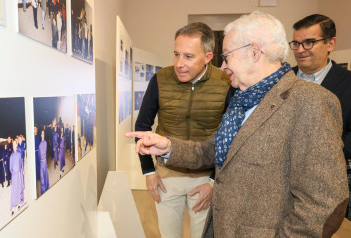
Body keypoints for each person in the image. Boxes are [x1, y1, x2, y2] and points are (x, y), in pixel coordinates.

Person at [127, 11, 349, 237]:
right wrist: (169, 147)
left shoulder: (311, 101)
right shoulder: (242, 98)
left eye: (227, 56)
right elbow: (218, 150)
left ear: (254, 52)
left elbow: (324, 202)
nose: (223, 66)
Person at [134, 22, 230, 238]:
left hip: (205, 178)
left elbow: (231, 137)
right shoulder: (160, 79)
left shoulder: (225, 82)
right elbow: (142, 128)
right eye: (176, 54)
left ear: (207, 57)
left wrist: (214, 182)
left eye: (188, 56)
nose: (179, 64)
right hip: (167, 176)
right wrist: (148, 172)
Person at [290, 14, 351, 220]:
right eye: (296, 43)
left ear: (330, 43)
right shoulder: (282, 80)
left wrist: (319, 150)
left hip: (327, 185)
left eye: (309, 42)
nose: (300, 50)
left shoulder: (348, 84)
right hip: (283, 184)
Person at [10, 140, 24, 215]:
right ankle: (13, 205)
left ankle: (18, 203)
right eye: (13, 145)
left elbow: (21, 163)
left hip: (18, 174)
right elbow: (10, 166)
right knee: (14, 189)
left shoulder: (19, 154)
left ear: (16, 145)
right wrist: (13, 172)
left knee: (18, 188)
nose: (14, 146)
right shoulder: (11, 155)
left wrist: (19, 171)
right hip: (14, 175)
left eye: (15, 144)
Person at [39, 130, 50, 195]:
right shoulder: (40, 144)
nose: (43, 135)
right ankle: (43, 191)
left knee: (46, 175)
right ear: (41, 135)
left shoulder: (45, 142)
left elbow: (45, 151)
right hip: (41, 162)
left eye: (43, 133)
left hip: (45, 161)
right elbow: (39, 155)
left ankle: (47, 187)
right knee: (42, 176)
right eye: (42, 133)